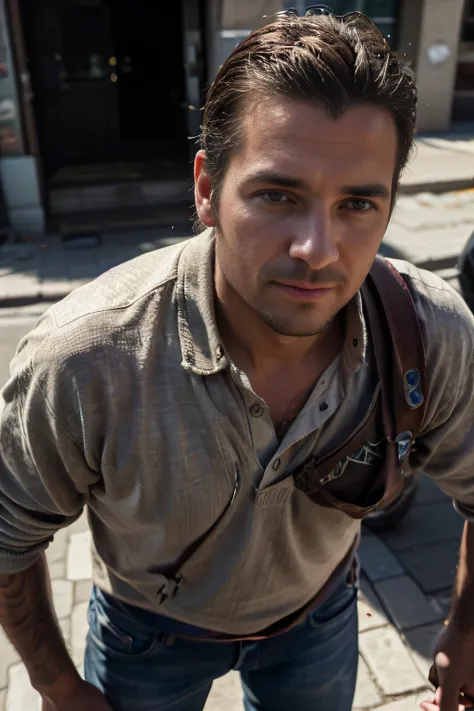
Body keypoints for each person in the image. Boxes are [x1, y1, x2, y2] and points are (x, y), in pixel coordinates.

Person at [1, 8, 474, 711]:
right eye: (278, 194)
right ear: (205, 187)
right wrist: (56, 683)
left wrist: (467, 625)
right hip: (144, 633)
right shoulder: (85, 357)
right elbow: (9, 535)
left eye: (357, 204)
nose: (318, 248)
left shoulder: (432, 332)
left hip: (320, 615)